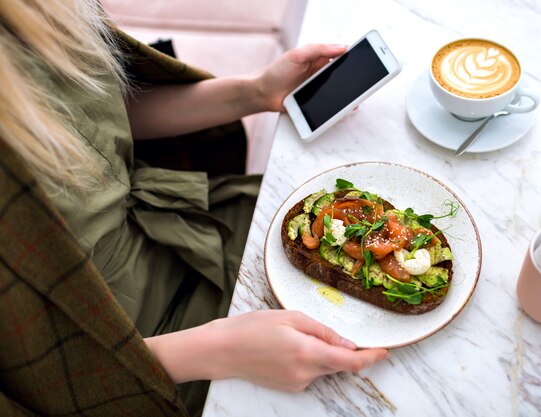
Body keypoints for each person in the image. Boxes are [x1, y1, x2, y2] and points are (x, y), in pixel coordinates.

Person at [0, 1, 388, 416]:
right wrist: (223, 351)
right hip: (131, 357)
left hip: (184, 223)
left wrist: (255, 92)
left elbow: (101, 115)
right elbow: (34, 385)